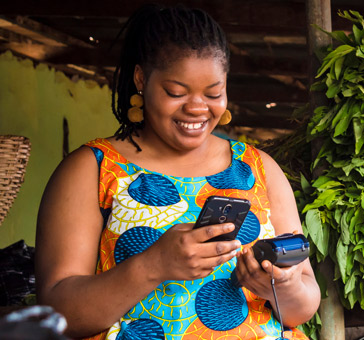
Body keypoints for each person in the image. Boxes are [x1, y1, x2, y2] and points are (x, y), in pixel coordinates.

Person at [34, 5, 320, 339]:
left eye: (213, 93)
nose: (197, 108)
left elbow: (303, 305)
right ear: (141, 79)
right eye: (176, 92)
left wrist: (279, 286)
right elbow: (57, 314)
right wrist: (153, 266)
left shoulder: (259, 167)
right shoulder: (91, 169)